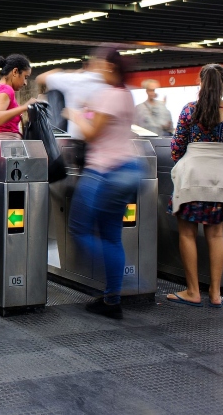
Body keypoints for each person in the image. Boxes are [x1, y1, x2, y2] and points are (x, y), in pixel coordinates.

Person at [63, 46, 143, 320]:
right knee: (111, 235)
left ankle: (127, 277)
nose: (95, 67)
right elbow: (107, 127)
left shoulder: (107, 95)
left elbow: (90, 135)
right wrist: (89, 112)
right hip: (129, 168)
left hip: (104, 172)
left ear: (110, 67)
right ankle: (112, 299)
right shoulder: (126, 95)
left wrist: (74, 115)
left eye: (98, 63)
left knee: (79, 230)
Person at [166, 64, 223, 308]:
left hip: (191, 176)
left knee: (187, 233)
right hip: (221, 179)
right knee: (216, 235)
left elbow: (176, 149)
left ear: (201, 83)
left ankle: (193, 291)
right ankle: (215, 293)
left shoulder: (189, 110)